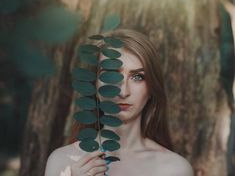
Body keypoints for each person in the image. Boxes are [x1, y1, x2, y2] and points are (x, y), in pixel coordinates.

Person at [45, 29, 194, 176]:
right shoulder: (61, 161)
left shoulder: (176, 169)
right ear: (94, 85)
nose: (123, 92)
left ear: (152, 88)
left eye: (137, 77)